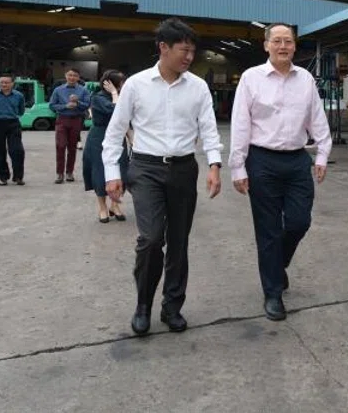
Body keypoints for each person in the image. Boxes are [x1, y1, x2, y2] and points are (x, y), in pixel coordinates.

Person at [102, 18, 223, 336]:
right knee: (152, 238)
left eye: (192, 51)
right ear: (163, 48)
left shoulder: (197, 87)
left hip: (183, 169)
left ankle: (172, 307)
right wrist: (112, 174)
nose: (188, 57)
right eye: (184, 50)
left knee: (179, 242)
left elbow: (209, 128)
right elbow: (114, 133)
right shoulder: (137, 85)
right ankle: (143, 304)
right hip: (145, 168)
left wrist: (214, 165)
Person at [229, 22, 332, 321]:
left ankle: (277, 265)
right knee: (268, 230)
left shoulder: (306, 79)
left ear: (295, 46)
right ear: (266, 45)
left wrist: (323, 153)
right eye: (277, 41)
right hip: (261, 161)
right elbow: (240, 123)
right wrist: (238, 165)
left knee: (299, 222)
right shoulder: (251, 78)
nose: (283, 46)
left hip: (297, 160)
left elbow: (317, 117)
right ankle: (273, 292)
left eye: (288, 41)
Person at [83, 69, 130, 223]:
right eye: (121, 83)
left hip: (118, 137)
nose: (124, 85)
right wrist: (115, 95)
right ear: (110, 83)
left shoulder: (123, 97)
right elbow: (117, 112)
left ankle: (115, 205)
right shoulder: (98, 98)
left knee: (121, 170)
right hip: (100, 137)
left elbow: (126, 119)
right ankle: (103, 207)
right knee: (100, 172)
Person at [49, 68, 91, 184]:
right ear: (65, 76)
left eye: (75, 75)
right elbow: (52, 105)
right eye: (70, 75)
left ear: (78, 77)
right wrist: (65, 106)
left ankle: (69, 172)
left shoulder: (83, 91)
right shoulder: (58, 90)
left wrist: (78, 102)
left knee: (72, 147)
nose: (72, 77)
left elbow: (87, 105)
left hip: (76, 120)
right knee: (61, 146)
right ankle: (59, 173)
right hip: (62, 120)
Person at [0, 74, 26, 186]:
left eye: (6, 82)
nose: (4, 84)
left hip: (13, 123)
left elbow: (21, 110)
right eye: (2, 82)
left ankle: (18, 177)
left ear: (12, 84)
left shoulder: (19, 96)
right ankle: (3, 176)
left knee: (17, 151)